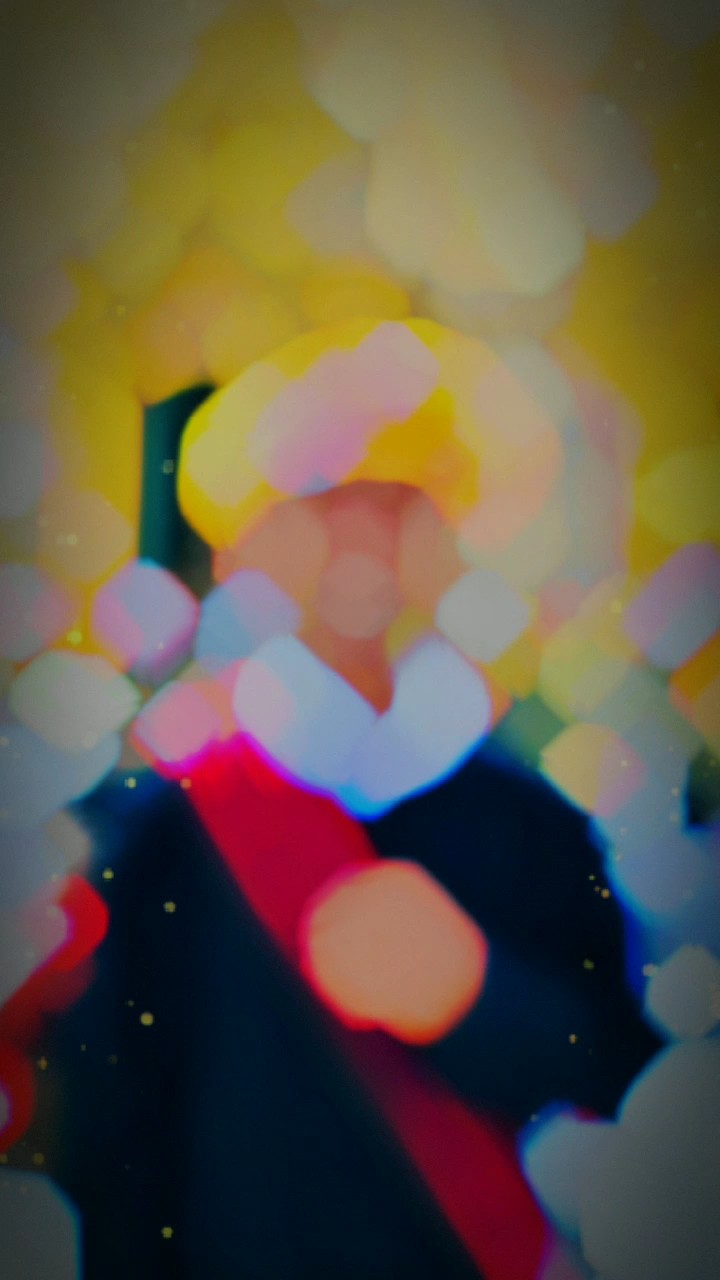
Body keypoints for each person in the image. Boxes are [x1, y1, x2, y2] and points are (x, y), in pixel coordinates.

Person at [33, 471, 661, 1280]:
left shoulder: (535, 819)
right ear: (247, 545)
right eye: (322, 502)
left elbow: (614, 1065)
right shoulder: (163, 824)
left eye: (399, 503)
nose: (362, 539)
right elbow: (110, 1127)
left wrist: (476, 996)